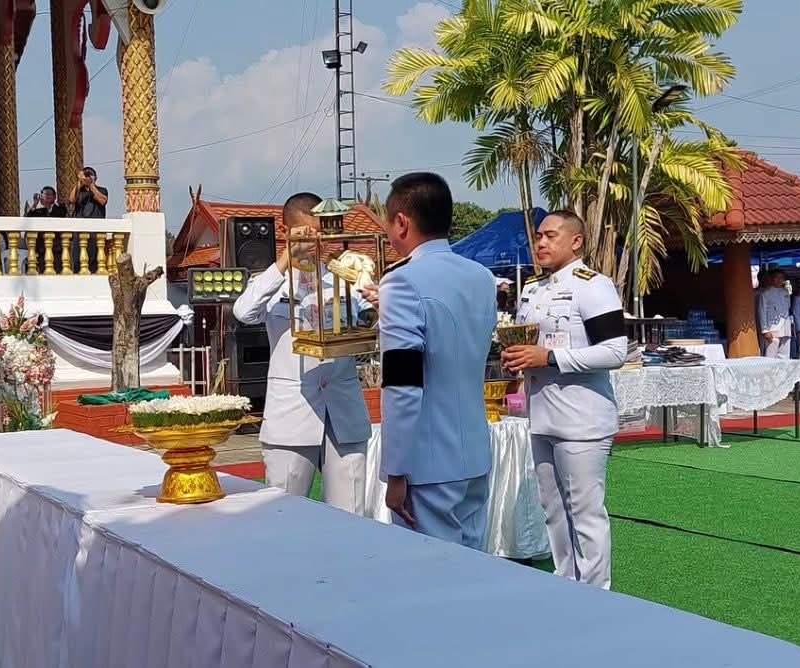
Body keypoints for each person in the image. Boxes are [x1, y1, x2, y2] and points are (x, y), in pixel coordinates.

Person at [504, 210, 626, 589]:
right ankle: (565, 585)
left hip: (581, 418)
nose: (541, 242)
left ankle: (596, 594)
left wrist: (551, 358)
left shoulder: (593, 286)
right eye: (539, 236)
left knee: (585, 514)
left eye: (551, 236)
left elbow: (615, 351)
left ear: (576, 242)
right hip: (541, 414)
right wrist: (517, 356)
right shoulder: (532, 289)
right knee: (553, 510)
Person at [373, 172, 495, 549]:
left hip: (427, 462)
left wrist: (395, 470)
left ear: (402, 222)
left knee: (429, 572)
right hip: (474, 452)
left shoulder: (401, 281)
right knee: (473, 565)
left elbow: (402, 384)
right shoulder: (481, 276)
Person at [232, 192, 371, 514]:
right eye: (306, 235)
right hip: (292, 413)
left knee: (351, 516)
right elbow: (244, 312)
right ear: (286, 231)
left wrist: (378, 307)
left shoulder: (343, 277)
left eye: (319, 234)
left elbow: (370, 318)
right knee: (283, 513)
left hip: (343, 411)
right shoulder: (273, 282)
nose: (314, 243)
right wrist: (285, 259)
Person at [69, 166, 107, 272]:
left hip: (96, 231)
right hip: (80, 231)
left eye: (89, 175)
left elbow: (103, 200)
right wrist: (79, 182)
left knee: (94, 258)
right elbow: (71, 199)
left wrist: (91, 185)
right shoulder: (79, 191)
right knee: (77, 258)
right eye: (85, 175)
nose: (86, 178)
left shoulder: (102, 190)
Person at [26, 186, 67, 273]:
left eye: (48, 194)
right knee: (43, 273)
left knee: (57, 273)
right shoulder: (39, 211)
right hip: (42, 248)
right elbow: (28, 218)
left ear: (54, 197)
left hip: (56, 249)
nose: (46, 197)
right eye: (43, 195)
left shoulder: (61, 209)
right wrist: (35, 203)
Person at [758, 269, 791, 359]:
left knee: (784, 358)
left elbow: (788, 307)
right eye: (777, 277)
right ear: (771, 279)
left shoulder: (785, 292)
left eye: (781, 278)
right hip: (772, 329)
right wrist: (765, 330)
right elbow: (762, 312)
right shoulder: (766, 293)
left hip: (785, 329)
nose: (779, 280)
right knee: (771, 357)